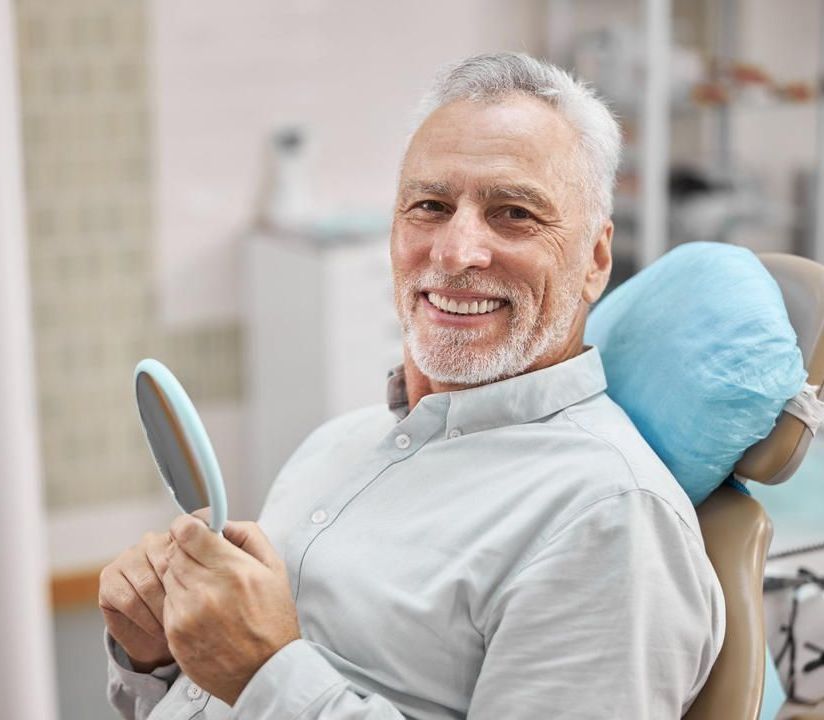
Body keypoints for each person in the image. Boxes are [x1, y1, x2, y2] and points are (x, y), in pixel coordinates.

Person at [99, 52, 725, 720]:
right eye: (429, 206)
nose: (455, 252)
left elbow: (260, 681)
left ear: (596, 258)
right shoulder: (335, 445)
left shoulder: (607, 519)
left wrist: (267, 674)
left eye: (513, 213)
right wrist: (157, 659)